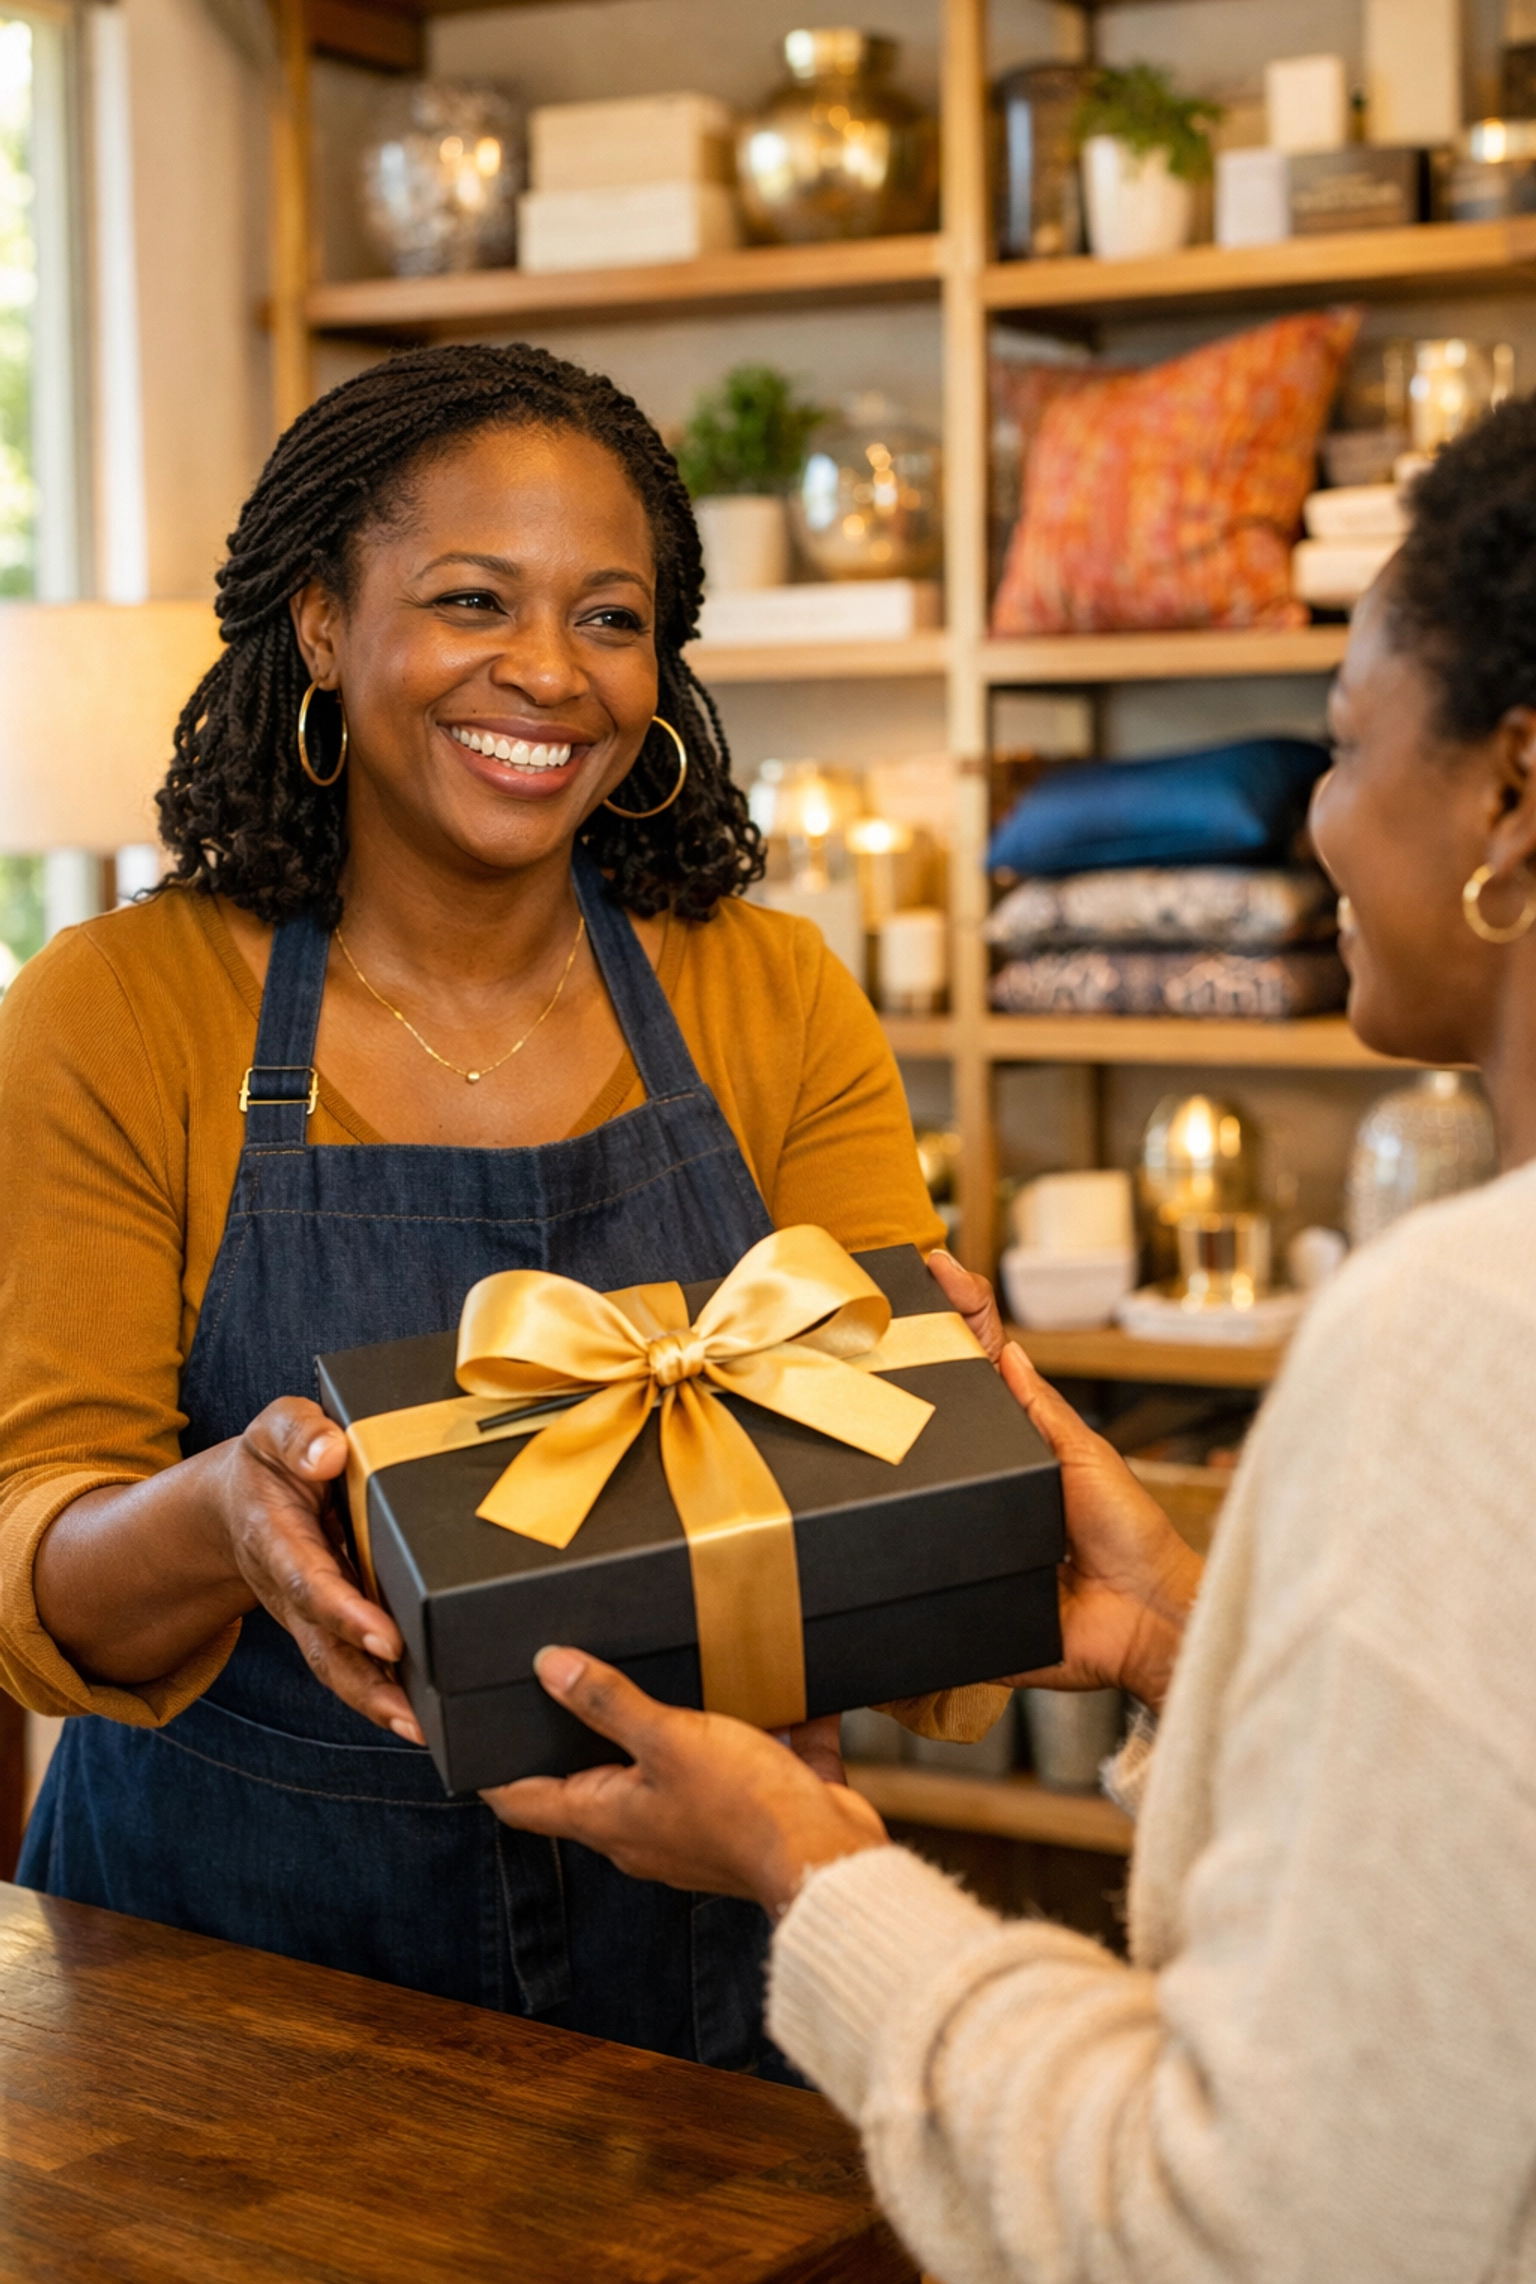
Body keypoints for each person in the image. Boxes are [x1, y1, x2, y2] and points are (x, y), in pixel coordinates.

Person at [483, 390, 1536, 2280]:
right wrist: (1180, 1644)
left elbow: (1255, 2230)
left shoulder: (1459, 1332)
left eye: (1346, 742)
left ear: (1512, 794)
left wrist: (815, 1875)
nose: (1316, 813)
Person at [0, 342, 992, 2070]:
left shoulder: (770, 1000)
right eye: (473, 600)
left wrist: (956, 1442)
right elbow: (36, 1561)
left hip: (684, 1970)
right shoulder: (116, 1011)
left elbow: (903, 1503)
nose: (547, 674)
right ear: (319, 621)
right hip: (222, 1991)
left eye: (610, 619)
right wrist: (224, 1515)